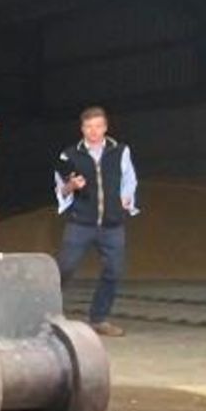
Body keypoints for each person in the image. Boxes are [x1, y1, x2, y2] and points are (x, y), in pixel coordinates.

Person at [54, 105, 138, 336]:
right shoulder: (69, 155)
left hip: (112, 224)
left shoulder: (120, 151)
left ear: (105, 127)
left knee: (114, 270)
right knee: (65, 267)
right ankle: (48, 315)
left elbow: (129, 179)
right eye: (89, 126)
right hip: (80, 222)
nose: (94, 131)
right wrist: (71, 186)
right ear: (82, 128)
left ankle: (99, 318)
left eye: (98, 126)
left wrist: (127, 198)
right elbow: (61, 190)